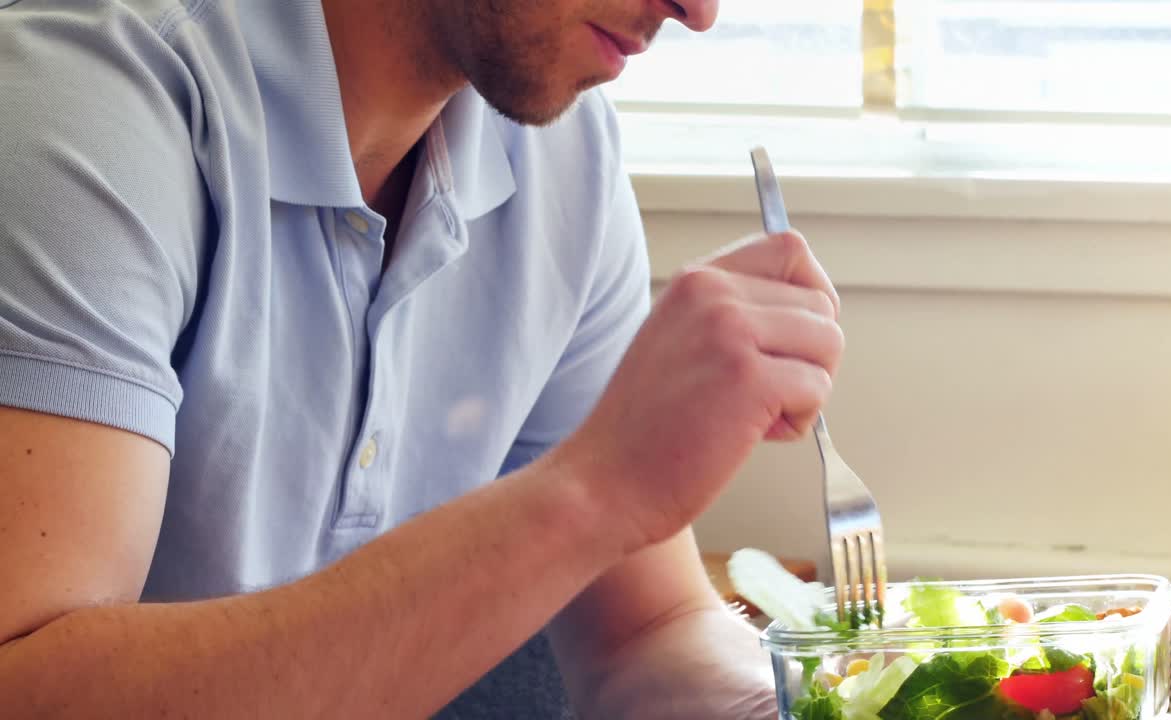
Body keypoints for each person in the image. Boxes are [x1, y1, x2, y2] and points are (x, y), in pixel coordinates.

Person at [0, 0, 845, 717]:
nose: (698, 11)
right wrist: (593, 493)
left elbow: (648, 631)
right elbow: (23, 680)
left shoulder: (562, 157)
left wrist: (834, 701)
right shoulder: (86, 96)